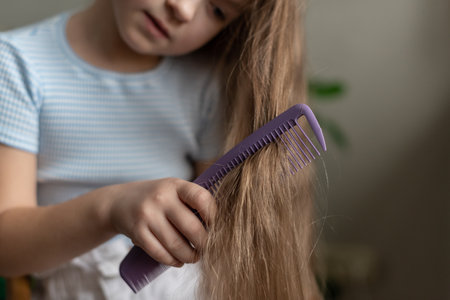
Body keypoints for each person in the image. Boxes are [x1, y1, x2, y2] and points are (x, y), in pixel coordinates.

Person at [0, 0, 321, 299]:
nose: (182, 9)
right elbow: (6, 249)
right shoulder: (17, 64)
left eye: (217, 10)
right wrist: (109, 209)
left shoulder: (205, 86)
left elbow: (215, 227)